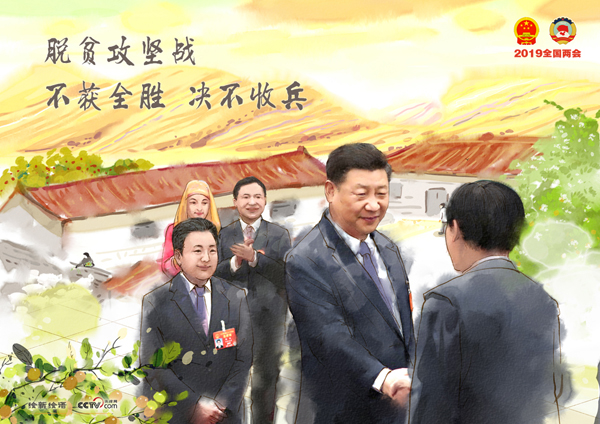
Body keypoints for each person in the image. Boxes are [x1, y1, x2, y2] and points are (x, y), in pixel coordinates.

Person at [409, 180, 569, 424]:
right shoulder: (542, 298)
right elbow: (548, 388)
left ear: (455, 228)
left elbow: (432, 401)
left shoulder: (447, 301)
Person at [285, 143, 414, 424]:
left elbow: (403, 325)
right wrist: (384, 378)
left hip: (397, 407)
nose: (374, 205)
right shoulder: (306, 258)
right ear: (331, 191)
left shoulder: (388, 248)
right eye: (361, 194)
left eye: (381, 193)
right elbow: (328, 336)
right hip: (343, 410)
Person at [141, 218, 252, 424]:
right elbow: (153, 365)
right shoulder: (156, 301)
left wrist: (220, 405)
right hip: (179, 413)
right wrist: (194, 406)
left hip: (225, 415)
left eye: (212, 250)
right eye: (197, 251)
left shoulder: (235, 296)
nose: (206, 258)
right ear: (178, 256)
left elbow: (243, 359)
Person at [215, 176, 291, 424]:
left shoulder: (279, 234)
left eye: (257, 197)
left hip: (269, 320)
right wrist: (235, 263)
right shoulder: (222, 235)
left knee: (266, 380)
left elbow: (285, 274)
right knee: (227, 377)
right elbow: (213, 274)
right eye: (246, 197)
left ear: (265, 200)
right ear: (235, 201)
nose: (252, 202)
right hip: (229, 319)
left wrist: (256, 258)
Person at [161, 180, 221, 277]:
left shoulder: (216, 230)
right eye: (193, 202)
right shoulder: (173, 229)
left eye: (204, 203)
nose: (199, 208)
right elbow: (166, 267)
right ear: (186, 205)